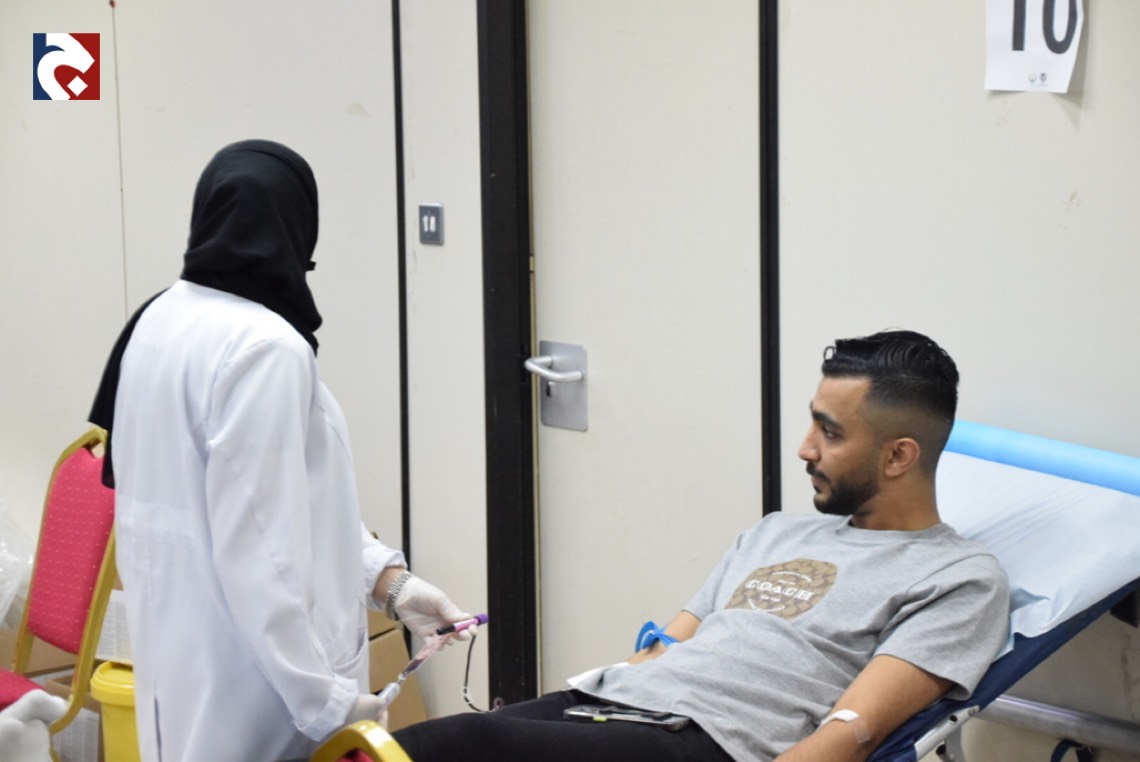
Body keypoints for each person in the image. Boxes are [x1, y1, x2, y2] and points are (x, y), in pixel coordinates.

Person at [392, 329, 1010, 762]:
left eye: (830, 432)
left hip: (707, 742)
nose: (805, 448)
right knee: (410, 744)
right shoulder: (775, 533)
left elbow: (852, 733)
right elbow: (665, 647)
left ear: (899, 456)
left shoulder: (957, 578)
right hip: (609, 705)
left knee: (452, 750)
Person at [88, 139, 471, 762]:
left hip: (184, 661)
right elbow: (261, 547)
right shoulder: (266, 347)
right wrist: (327, 701)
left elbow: (284, 504)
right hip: (262, 690)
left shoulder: (158, 320)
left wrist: (390, 584)